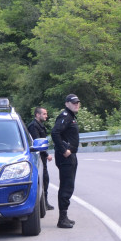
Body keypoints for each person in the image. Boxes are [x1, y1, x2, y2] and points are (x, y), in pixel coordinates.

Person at [51, 94, 81, 228]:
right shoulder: (65, 116)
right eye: (74, 103)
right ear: (67, 103)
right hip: (66, 158)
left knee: (69, 186)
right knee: (66, 187)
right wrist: (64, 150)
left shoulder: (70, 116)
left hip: (70, 156)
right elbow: (54, 133)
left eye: (78, 102)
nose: (76, 104)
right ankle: (62, 219)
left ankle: (64, 216)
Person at [27, 107, 54, 210]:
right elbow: (37, 142)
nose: (46, 116)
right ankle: (41, 204)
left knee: (45, 180)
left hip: (41, 158)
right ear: (37, 115)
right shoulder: (33, 126)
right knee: (42, 179)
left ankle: (45, 202)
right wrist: (46, 154)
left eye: (46, 114)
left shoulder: (40, 125)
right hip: (37, 158)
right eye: (44, 114)